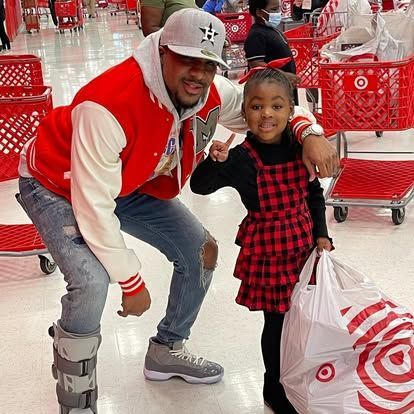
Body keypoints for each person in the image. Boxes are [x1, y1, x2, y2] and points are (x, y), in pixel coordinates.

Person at [18, 8, 337, 413]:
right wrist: (132, 282)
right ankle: (76, 398)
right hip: (56, 181)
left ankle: (167, 348)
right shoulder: (109, 103)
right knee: (93, 282)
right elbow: (93, 205)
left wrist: (309, 133)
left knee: (201, 250)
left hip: (127, 180)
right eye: (187, 58)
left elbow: (270, 104)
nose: (198, 73)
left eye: (208, 64)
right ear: (162, 50)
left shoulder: (212, 91)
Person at [190, 62, 333, 414]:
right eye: (256, 106)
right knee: (276, 322)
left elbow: (313, 194)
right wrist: (213, 161)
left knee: (304, 316)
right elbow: (200, 186)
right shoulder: (241, 158)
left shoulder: (300, 148)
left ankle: (300, 373)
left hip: (302, 247)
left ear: (290, 110)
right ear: (244, 112)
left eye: (276, 106)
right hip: (268, 251)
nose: (266, 114)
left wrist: (322, 234)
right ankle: (274, 386)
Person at [244, 0, 300, 104]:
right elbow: (256, 65)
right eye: (274, 9)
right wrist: (283, 76)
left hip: (284, 89)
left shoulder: (271, 30)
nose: (278, 13)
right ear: (259, 12)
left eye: (278, 8)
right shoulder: (256, 34)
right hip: (272, 93)